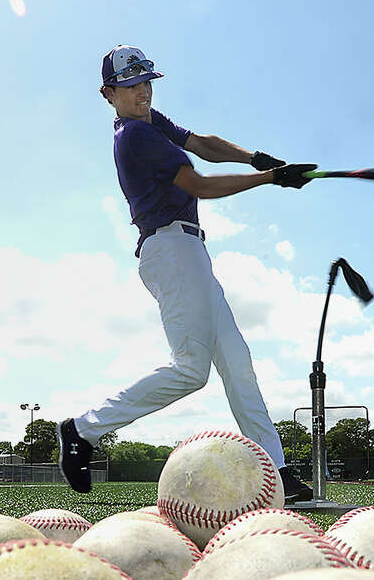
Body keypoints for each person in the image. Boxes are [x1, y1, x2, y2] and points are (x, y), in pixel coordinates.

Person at [57, 46, 315, 502]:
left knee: (237, 363)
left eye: (147, 82)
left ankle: (274, 471)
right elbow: (198, 185)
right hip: (170, 247)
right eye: (132, 85)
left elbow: (203, 145)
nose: (143, 91)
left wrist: (256, 158)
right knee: (192, 370)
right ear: (108, 93)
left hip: (190, 250)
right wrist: (271, 179)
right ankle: (82, 429)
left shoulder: (151, 123)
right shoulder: (134, 137)